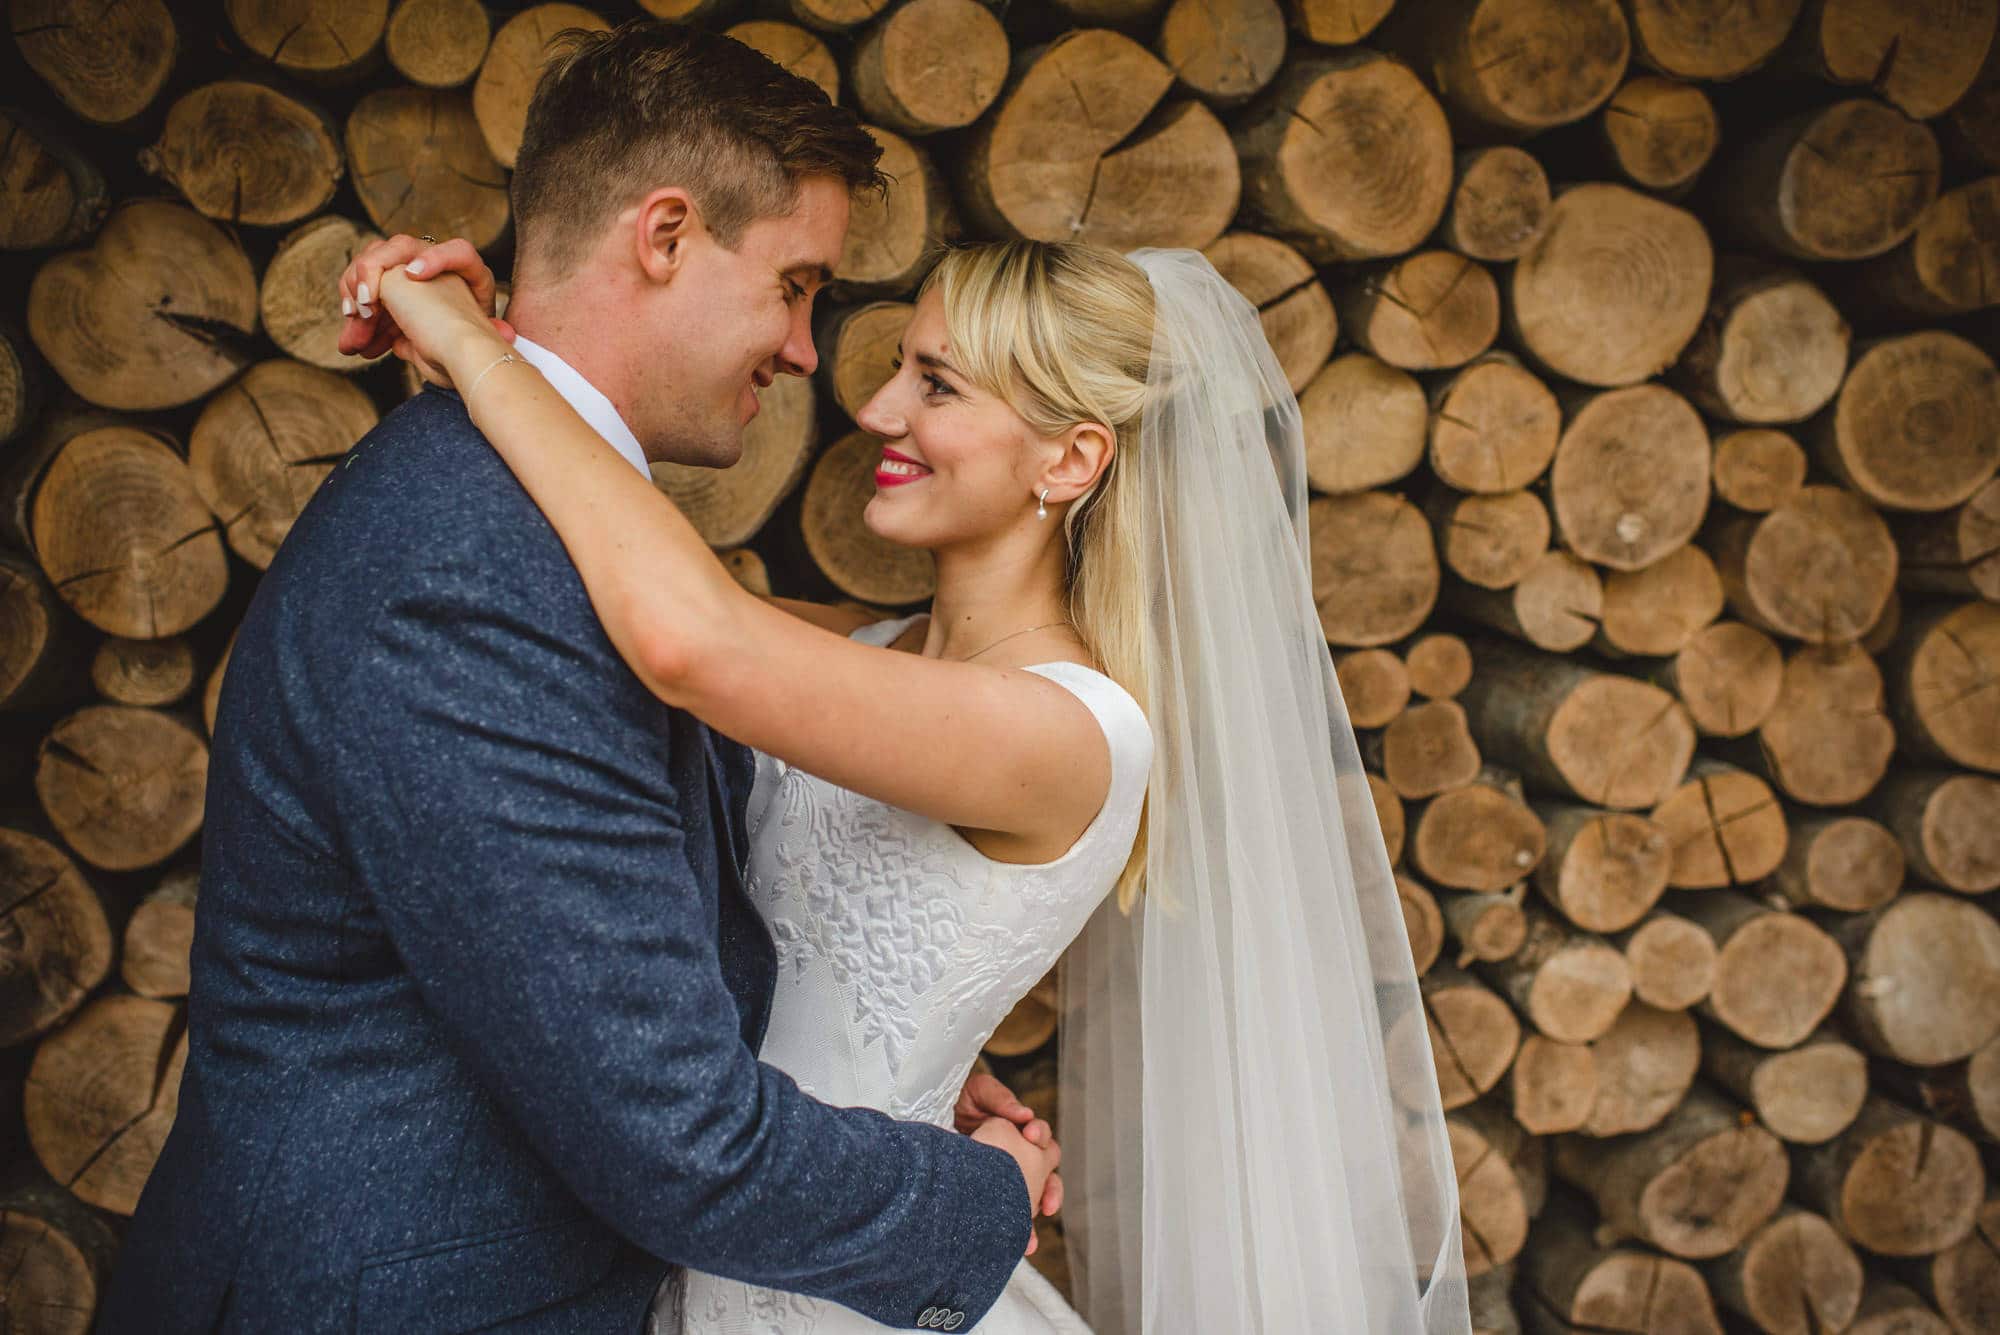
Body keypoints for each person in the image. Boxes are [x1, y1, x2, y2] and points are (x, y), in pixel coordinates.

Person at [98, 23, 1059, 1335]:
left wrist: (886, 1058)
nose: (803, 353)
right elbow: (682, 1139)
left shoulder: (547, 519)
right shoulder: (478, 564)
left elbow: (656, 901)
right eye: (795, 285)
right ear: (665, 237)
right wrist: (979, 1200)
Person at [344, 227, 1473, 1329]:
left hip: (838, 1276)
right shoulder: (870, 654)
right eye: (896, 371)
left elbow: (689, 639)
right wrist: (474, 354)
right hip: (728, 1215)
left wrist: (476, 346)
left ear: (1070, 459)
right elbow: (590, 574)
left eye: (936, 385)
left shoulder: (1065, 731)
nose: (875, 411)